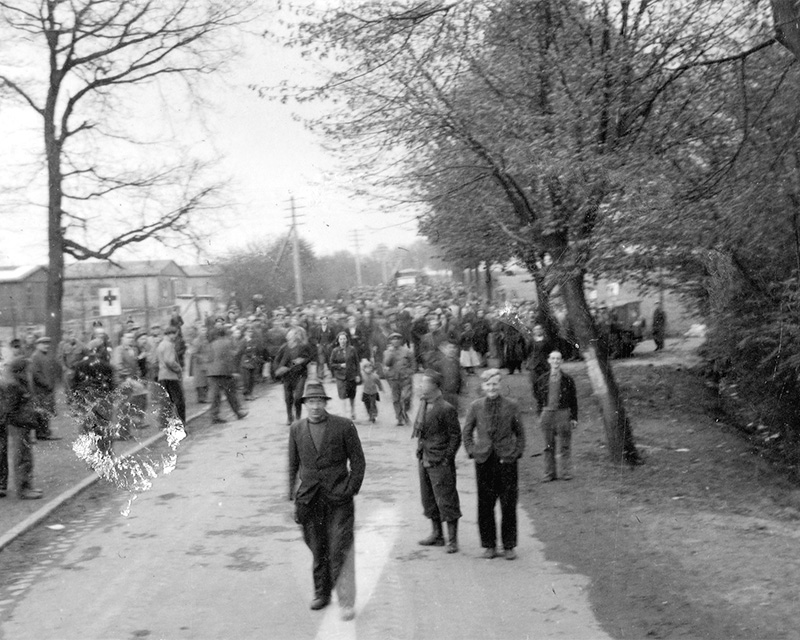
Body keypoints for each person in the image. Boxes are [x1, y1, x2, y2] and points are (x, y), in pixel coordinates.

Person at [288, 380, 365, 622]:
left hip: (338, 499)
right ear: (305, 404)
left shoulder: (343, 426)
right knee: (317, 547)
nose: (315, 406)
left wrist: (349, 489)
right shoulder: (297, 429)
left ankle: (346, 602)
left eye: (319, 401)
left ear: (325, 403)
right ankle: (321, 593)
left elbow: (358, 462)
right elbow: (292, 466)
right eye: (311, 402)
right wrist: (291, 498)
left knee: (339, 547)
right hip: (310, 500)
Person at [462, 369, 526, 560]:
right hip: (484, 460)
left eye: (495, 384)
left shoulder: (512, 405)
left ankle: (508, 546)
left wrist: (515, 453)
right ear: (483, 387)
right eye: (488, 384)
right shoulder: (476, 406)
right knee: (485, 504)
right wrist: (472, 450)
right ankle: (489, 545)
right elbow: (467, 431)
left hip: (506, 460)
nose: (492, 387)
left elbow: (520, 434)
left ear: (500, 385)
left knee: (508, 503)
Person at [413, 369, 462, 553]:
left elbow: (455, 436)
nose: (420, 385)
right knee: (429, 498)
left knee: (447, 499)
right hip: (424, 458)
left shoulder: (446, 408)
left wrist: (446, 458)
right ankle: (437, 535)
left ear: (434, 386)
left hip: (439, 461)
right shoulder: (424, 404)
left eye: (424, 383)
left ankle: (453, 540)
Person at [533, 351, 578, 481]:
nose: (555, 361)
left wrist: (574, 417)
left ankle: (565, 472)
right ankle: (549, 473)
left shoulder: (568, 379)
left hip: (563, 413)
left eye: (558, 359)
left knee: (565, 445)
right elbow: (538, 400)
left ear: (562, 361)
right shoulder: (542, 379)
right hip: (547, 414)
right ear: (548, 360)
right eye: (553, 358)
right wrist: (540, 415)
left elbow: (573, 400)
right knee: (548, 446)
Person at [3, 358, 44, 499]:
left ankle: (27, 485)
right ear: (20, 370)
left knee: (26, 457)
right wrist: (22, 418)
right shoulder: (13, 385)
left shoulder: (20, 383)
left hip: (24, 424)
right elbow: (9, 409)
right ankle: (23, 489)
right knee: (21, 458)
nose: (30, 371)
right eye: (27, 369)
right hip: (19, 425)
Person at [274, 327, 315, 424]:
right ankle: (289, 417)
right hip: (287, 375)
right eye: (289, 335)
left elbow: (310, 356)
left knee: (298, 397)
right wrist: (278, 370)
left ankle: (298, 417)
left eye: (292, 335)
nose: (290, 336)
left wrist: (302, 361)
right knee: (288, 398)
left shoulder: (303, 346)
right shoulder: (284, 347)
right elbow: (276, 360)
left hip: (300, 374)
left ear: (296, 336)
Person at [206, 326, 248, 424]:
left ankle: (214, 416)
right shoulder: (228, 343)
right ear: (225, 334)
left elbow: (209, 358)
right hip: (224, 372)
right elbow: (231, 357)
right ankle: (238, 412)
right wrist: (233, 371)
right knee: (230, 394)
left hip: (212, 372)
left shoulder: (211, 344)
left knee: (215, 395)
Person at [30, 336, 59, 440]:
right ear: (37, 345)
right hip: (40, 389)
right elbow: (36, 374)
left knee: (46, 411)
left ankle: (44, 432)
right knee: (42, 411)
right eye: (43, 343)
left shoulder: (46, 355)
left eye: (48, 343)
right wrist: (46, 384)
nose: (46, 345)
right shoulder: (36, 356)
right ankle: (42, 433)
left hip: (47, 389)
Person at [156, 325, 186, 426]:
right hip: (171, 376)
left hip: (162, 376)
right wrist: (178, 369)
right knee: (179, 401)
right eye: (175, 335)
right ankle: (181, 423)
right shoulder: (169, 345)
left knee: (167, 401)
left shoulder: (160, 345)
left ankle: (163, 422)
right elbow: (170, 361)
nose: (175, 337)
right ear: (171, 334)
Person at [383, 332, 414, 426]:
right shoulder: (387, 352)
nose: (395, 341)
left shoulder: (407, 351)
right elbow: (387, 363)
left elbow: (413, 364)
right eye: (393, 339)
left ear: (401, 341)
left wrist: (409, 372)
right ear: (390, 341)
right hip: (394, 378)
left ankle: (405, 411)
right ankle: (399, 418)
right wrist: (391, 353)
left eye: (397, 339)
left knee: (406, 397)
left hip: (405, 378)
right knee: (396, 399)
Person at [328, 331, 361, 420]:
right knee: (342, 394)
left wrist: (358, 375)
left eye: (344, 339)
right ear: (338, 340)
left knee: (351, 394)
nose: (342, 341)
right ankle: (344, 414)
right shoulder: (335, 351)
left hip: (351, 375)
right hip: (340, 376)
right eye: (341, 339)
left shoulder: (352, 349)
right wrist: (340, 366)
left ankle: (352, 411)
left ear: (347, 340)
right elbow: (331, 364)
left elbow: (357, 363)